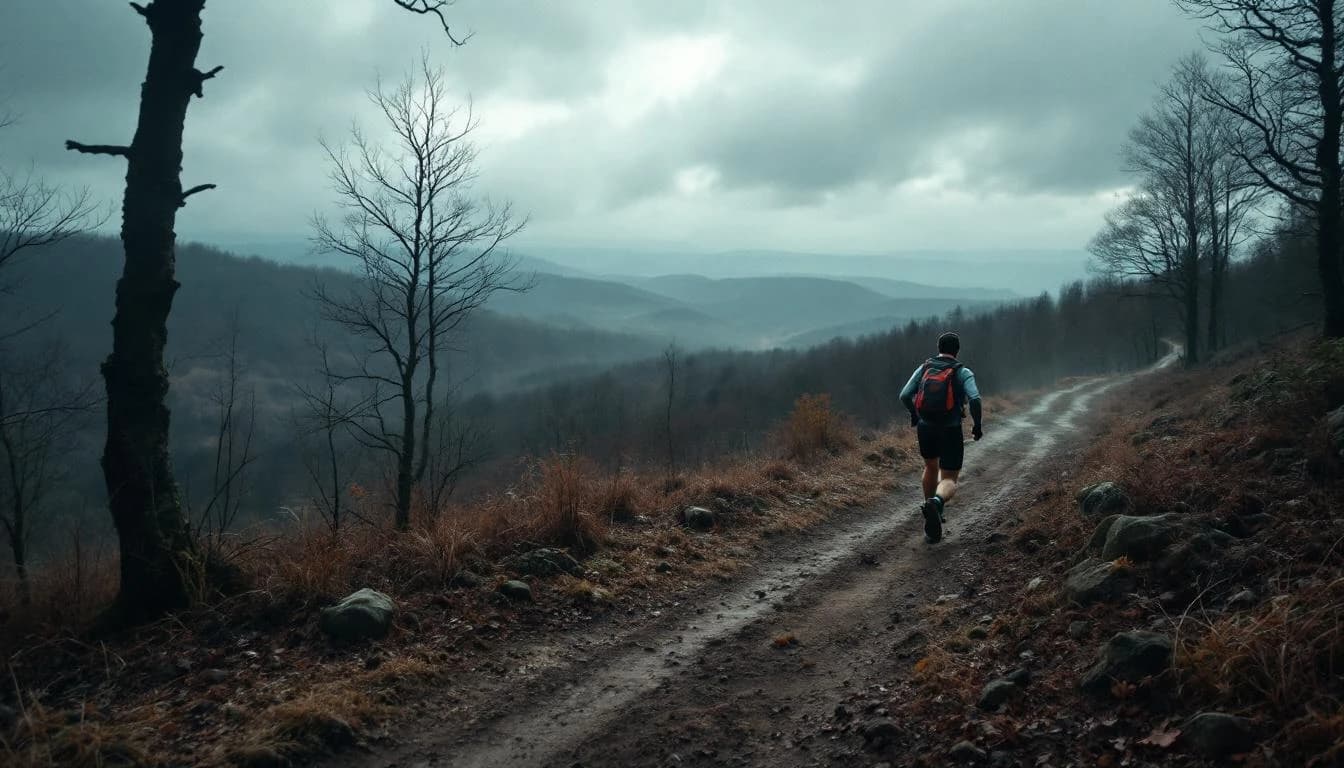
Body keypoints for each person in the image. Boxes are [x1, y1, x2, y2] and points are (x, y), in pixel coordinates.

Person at [898, 331, 983, 543]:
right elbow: (975, 399)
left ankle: (931, 513)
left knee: (930, 467)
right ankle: (936, 503)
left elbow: (904, 395)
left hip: (925, 427)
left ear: (939, 348)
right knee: (949, 478)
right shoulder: (962, 372)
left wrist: (915, 415)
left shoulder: (925, 367)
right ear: (957, 350)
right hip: (950, 429)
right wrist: (977, 425)